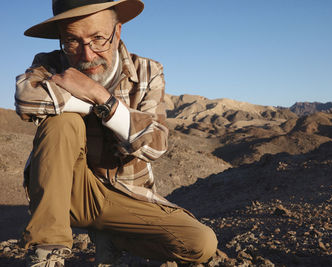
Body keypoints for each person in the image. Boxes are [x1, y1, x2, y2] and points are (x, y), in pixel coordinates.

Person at [15, 0, 218, 266]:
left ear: (117, 31)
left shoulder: (148, 72)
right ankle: (47, 253)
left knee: (200, 243)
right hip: (72, 191)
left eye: (98, 38)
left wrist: (100, 97)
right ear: (62, 39)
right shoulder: (50, 63)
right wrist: (87, 106)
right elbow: (25, 99)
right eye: (73, 41)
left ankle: (111, 237)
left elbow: (155, 145)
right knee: (62, 123)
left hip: (126, 196)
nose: (87, 55)